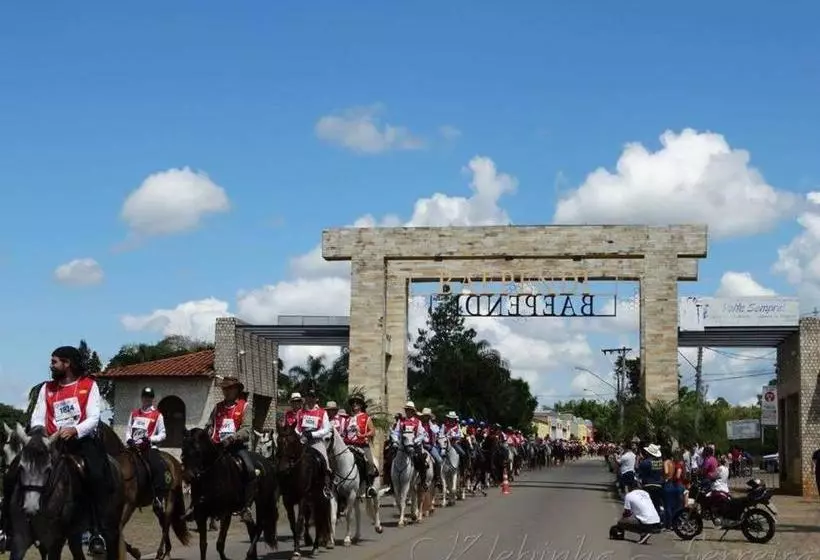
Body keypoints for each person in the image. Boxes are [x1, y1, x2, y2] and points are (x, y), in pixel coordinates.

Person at [17, 346, 111, 554]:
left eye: (54, 362)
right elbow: (38, 416)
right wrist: (40, 433)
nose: (51, 365)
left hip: (81, 441)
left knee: (95, 474)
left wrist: (75, 429)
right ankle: (8, 525)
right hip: (51, 442)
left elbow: (94, 417)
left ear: (67, 364)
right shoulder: (46, 388)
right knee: (18, 467)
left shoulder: (89, 385)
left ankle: (97, 532)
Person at [195, 376, 255, 523]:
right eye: (224, 389)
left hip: (236, 448)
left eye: (229, 388)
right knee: (197, 468)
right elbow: (210, 426)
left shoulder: (244, 406)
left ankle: (245, 507)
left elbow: (247, 429)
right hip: (217, 448)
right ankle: (196, 504)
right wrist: (202, 437)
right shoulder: (217, 407)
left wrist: (233, 438)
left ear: (236, 390)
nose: (226, 391)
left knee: (250, 469)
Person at [124, 386, 168, 513]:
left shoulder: (157, 415)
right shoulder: (134, 413)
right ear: (142, 398)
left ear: (152, 399)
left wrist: (150, 439)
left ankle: (158, 497)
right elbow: (128, 430)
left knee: (158, 466)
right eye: (144, 397)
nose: (146, 399)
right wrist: (129, 439)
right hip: (133, 447)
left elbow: (163, 434)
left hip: (149, 448)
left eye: (149, 397)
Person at [296, 389, 333, 498]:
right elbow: (297, 428)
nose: (310, 399)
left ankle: (326, 487)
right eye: (308, 396)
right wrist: (301, 434)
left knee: (325, 461)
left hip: (316, 442)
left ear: (316, 398)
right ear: (305, 398)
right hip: (303, 441)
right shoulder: (300, 412)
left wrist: (313, 434)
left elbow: (326, 429)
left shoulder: (322, 412)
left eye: (312, 397)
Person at [344, 393, 378, 496]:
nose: (355, 404)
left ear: (361, 405)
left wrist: (363, 434)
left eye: (357, 403)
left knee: (370, 463)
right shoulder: (348, 419)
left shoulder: (366, 417)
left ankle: (369, 486)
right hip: (349, 445)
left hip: (362, 445)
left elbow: (373, 431)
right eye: (353, 403)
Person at [614, 479, 662, 544]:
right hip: (656, 521)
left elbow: (627, 513)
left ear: (629, 487)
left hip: (647, 522)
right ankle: (648, 530)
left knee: (621, 522)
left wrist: (623, 519)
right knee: (640, 516)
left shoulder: (629, 495)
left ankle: (643, 533)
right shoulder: (646, 493)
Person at [637, 443, 665, 519]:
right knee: (656, 505)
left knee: (648, 505)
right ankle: (657, 521)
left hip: (648, 485)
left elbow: (638, 471)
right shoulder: (660, 462)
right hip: (659, 485)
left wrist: (639, 459)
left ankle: (649, 521)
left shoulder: (645, 463)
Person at [419, 408, 442, 483]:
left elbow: (436, 431)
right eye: (424, 416)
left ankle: (438, 477)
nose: (425, 418)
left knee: (439, 460)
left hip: (430, 446)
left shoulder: (432, 425)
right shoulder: (419, 424)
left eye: (427, 416)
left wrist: (430, 424)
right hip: (420, 446)